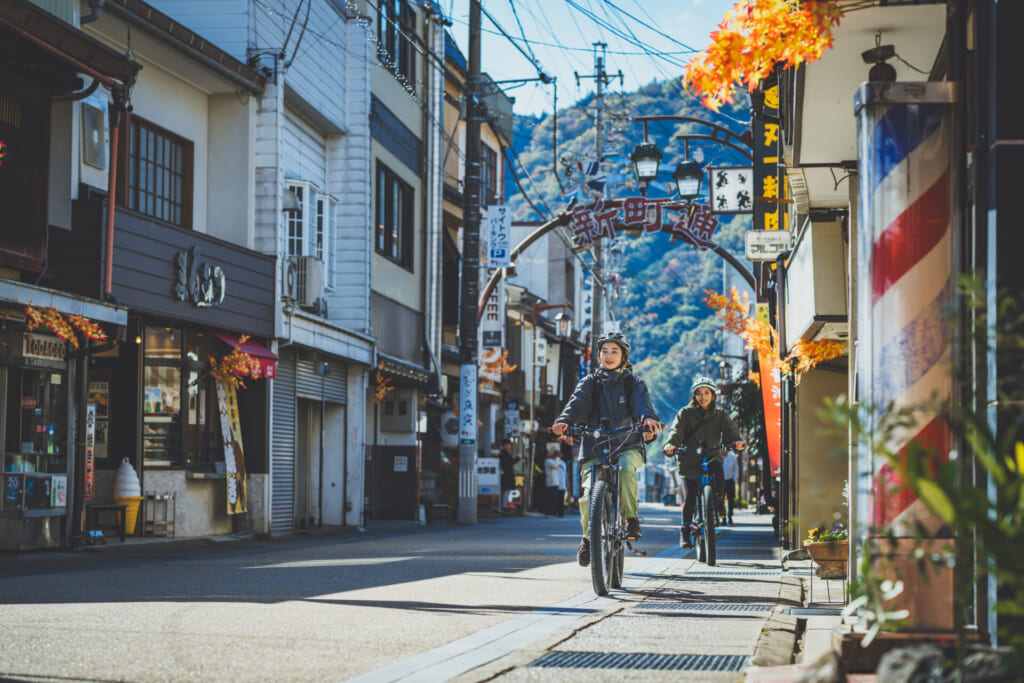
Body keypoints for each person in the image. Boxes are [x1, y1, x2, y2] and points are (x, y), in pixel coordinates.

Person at [551, 332, 662, 567]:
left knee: (625, 470)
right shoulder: (590, 382)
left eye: (615, 351)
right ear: (599, 355)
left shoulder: (635, 383)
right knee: (587, 492)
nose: (609, 356)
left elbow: (644, 407)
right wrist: (564, 422)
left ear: (623, 356)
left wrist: (648, 420)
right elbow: (575, 405)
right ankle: (588, 537)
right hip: (594, 445)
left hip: (627, 444)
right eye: (604, 351)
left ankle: (631, 519)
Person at [662, 376, 746, 549]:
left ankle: (719, 502)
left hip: (712, 455)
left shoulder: (721, 414)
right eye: (699, 393)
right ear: (694, 396)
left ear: (713, 395)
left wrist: (737, 442)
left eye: (707, 392)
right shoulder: (685, 413)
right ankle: (685, 530)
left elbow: (730, 431)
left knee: (719, 475)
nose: (703, 396)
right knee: (690, 496)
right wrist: (671, 445)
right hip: (689, 459)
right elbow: (676, 432)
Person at [498, 438, 520, 511]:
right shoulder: (504, 453)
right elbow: (511, 462)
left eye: (509, 445)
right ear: (504, 445)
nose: (509, 446)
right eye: (507, 445)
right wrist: (518, 458)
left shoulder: (504, 453)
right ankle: (504, 506)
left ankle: (505, 505)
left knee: (506, 490)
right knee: (506, 490)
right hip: (506, 474)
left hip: (506, 473)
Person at [722, 448, 739, 525]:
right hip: (721, 481)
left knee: (731, 499)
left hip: (730, 480)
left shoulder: (733, 457)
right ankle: (723, 517)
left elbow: (736, 469)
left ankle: (730, 516)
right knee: (720, 500)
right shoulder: (718, 457)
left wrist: (734, 479)